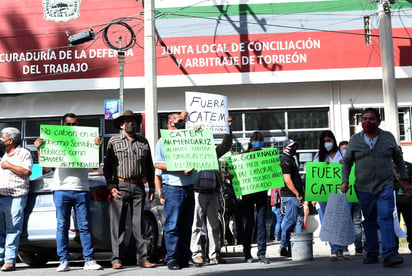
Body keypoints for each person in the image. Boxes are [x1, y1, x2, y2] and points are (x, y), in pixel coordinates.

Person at [341, 108, 409, 267]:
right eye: (364, 119)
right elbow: (347, 163)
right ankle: (371, 252)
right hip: (363, 188)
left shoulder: (388, 137)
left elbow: (398, 159)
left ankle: (390, 254)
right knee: (370, 221)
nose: (367, 122)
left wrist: (404, 178)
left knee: (385, 218)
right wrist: (345, 181)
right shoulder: (355, 140)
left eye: (371, 119)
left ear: (378, 121)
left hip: (385, 186)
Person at [35, 113, 103, 272]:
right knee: (62, 226)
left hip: (81, 189)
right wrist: (40, 149)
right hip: (61, 189)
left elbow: (94, 165)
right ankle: (63, 260)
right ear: (63, 126)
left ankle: (89, 260)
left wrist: (97, 147)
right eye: (69, 124)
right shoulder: (55, 141)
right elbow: (45, 167)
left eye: (75, 124)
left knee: (85, 226)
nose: (72, 127)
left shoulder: (85, 140)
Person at [104, 110, 156, 269]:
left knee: (139, 224)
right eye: (127, 121)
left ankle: (142, 258)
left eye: (133, 121)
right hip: (120, 185)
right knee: (117, 224)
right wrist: (110, 185)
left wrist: (152, 186)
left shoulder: (143, 142)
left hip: (139, 186)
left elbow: (149, 166)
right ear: (121, 124)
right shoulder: (113, 141)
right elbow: (108, 167)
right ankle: (116, 259)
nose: (131, 123)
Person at [154, 112, 195, 270]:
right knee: (172, 225)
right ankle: (171, 258)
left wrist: (198, 134)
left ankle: (184, 257)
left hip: (189, 188)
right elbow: (158, 164)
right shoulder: (162, 141)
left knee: (186, 225)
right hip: (173, 188)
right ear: (170, 124)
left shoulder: (188, 139)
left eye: (183, 121)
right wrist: (180, 169)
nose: (183, 124)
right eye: (179, 122)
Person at [191, 119, 232, 266]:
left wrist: (228, 128)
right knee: (196, 225)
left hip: (213, 192)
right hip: (197, 192)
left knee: (214, 226)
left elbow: (226, 145)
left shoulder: (213, 152)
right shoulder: (191, 152)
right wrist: (191, 132)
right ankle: (196, 253)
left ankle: (214, 254)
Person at [313, 130, 350, 261]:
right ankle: (334, 249)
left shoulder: (343, 153)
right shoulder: (318, 156)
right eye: (324, 142)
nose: (326, 144)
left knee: (343, 218)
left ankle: (344, 247)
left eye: (328, 141)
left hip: (342, 191)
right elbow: (315, 175)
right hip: (325, 193)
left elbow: (352, 167)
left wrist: (343, 165)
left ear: (333, 141)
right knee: (329, 220)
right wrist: (322, 166)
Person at [0, 127, 33, 271]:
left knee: (12, 229)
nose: (0, 139)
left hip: (16, 196)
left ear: (10, 140)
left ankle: (9, 260)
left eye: (2, 137)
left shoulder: (23, 153)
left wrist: (8, 165)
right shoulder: (2, 154)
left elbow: (26, 171)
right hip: (1, 195)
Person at [238, 131, 270, 264]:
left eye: (261, 140)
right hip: (248, 193)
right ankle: (247, 252)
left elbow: (271, 171)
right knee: (249, 222)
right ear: (251, 141)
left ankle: (261, 252)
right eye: (257, 140)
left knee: (261, 223)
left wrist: (275, 168)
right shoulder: (243, 156)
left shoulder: (265, 155)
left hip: (261, 193)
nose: (259, 142)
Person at [279, 138, 304, 258]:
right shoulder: (285, 161)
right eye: (291, 146)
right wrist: (296, 193)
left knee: (297, 220)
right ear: (285, 148)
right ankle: (284, 245)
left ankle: (295, 247)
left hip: (292, 196)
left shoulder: (291, 160)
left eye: (295, 146)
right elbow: (287, 179)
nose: (294, 148)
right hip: (290, 195)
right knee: (290, 221)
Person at [339, 140, 363, 255]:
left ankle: (359, 247)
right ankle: (344, 247)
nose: (345, 151)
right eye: (342, 149)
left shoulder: (356, 161)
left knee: (357, 222)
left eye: (346, 148)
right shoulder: (337, 163)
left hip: (356, 195)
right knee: (343, 222)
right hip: (343, 197)